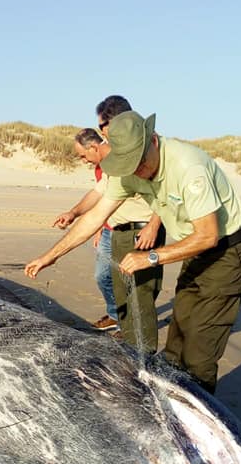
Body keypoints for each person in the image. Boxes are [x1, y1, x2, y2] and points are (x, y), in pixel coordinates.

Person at [26, 109, 241, 393]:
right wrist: (50, 256)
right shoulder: (128, 170)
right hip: (195, 250)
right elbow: (95, 217)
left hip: (228, 251)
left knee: (200, 348)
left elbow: (208, 236)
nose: (137, 171)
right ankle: (172, 395)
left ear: (154, 141)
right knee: (179, 334)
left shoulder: (189, 167)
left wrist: (150, 257)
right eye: (128, 164)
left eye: (140, 162)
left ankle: (202, 410)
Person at [53, 127, 165, 349]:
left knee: (139, 290)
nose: (83, 160)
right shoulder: (106, 167)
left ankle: (140, 345)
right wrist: (77, 215)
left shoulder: (132, 159)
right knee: (106, 278)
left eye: (83, 155)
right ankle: (120, 319)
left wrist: (153, 225)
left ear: (94, 147)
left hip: (140, 231)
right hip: (111, 229)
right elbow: (99, 194)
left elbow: (162, 192)